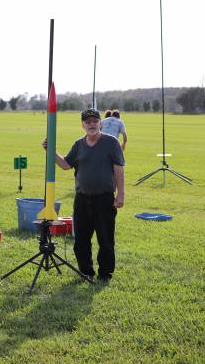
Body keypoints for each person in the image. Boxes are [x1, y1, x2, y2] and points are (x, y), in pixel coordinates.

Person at [42, 108, 125, 282]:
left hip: (104, 198)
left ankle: (105, 273)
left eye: (95, 121)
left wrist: (120, 194)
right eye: (88, 122)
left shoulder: (111, 143)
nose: (92, 124)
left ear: (100, 123)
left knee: (106, 239)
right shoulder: (78, 144)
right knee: (80, 240)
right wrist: (51, 151)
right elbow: (65, 164)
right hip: (81, 199)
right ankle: (86, 271)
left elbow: (119, 169)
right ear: (83, 125)